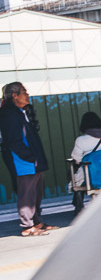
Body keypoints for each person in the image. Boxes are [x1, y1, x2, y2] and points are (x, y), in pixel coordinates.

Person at [0, 82, 57, 236]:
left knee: (36, 193)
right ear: (14, 95)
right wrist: (29, 157)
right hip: (23, 161)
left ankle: (37, 222)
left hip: (33, 161)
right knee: (27, 194)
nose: (28, 94)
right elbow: (14, 141)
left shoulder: (22, 111)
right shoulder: (8, 114)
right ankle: (27, 226)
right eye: (24, 92)